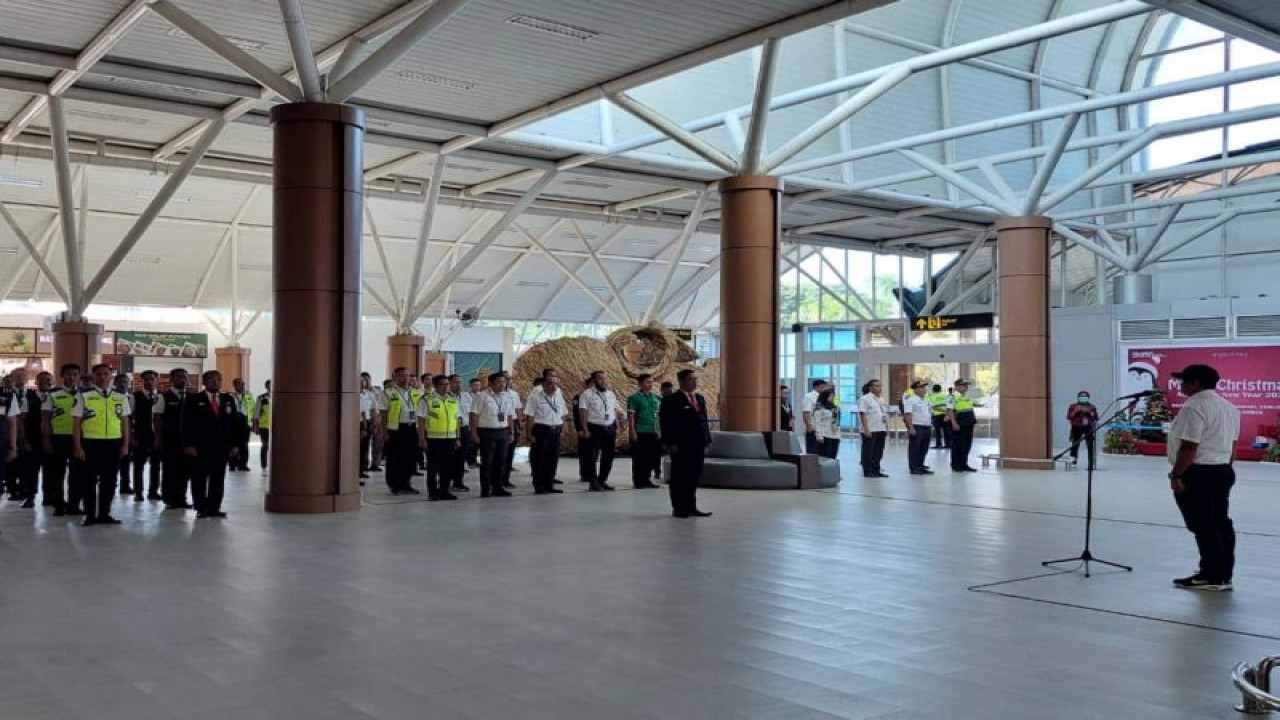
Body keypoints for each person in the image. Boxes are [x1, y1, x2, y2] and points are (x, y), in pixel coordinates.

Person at [1167, 364, 1241, 591]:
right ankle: (1221, 573)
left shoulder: (1193, 407)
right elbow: (1233, 446)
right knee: (1219, 522)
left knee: (1203, 525)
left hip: (1198, 472)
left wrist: (1177, 474)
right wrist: (1222, 469)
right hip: (1221, 470)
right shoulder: (1229, 407)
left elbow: (1189, 446)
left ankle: (1211, 575)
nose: (1181, 385)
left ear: (1196, 383)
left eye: (1184, 380)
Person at [71, 364, 130, 526]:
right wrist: (78, 447)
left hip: (113, 443)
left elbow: (125, 422)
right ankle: (90, 514)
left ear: (111, 376)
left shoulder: (121, 396)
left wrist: (125, 445)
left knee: (110, 481)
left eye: (106, 374)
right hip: (90, 443)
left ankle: (104, 513)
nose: (102, 377)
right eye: (98, 374)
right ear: (93, 377)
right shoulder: (84, 395)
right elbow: (76, 423)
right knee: (88, 480)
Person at [182, 370, 238, 518]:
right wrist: (188, 444)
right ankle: (201, 507)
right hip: (200, 448)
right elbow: (186, 424)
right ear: (204, 382)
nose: (216, 382)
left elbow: (235, 424)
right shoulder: (194, 399)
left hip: (221, 447)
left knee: (218, 479)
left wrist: (235, 445)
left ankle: (215, 507)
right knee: (199, 479)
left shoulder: (228, 399)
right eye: (212, 379)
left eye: (219, 379)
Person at [660, 368, 712, 518]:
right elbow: (666, 423)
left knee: (694, 475)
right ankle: (679, 507)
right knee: (680, 476)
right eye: (691, 379)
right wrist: (669, 443)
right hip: (681, 444)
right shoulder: (671, 400)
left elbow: (704, 420)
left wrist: (707, 438)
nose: (694, 381)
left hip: (698, 443)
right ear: (681, 381)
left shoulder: (699, 398)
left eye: (695, 379)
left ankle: (691, 506)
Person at [43, 363, 83, 516]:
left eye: (74, 374)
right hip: (59, 438)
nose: (71, 377)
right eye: (68, 374)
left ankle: (73, 505)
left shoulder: (84, 394)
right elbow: (46, 421)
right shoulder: (52, 394)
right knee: (57, 474)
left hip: (78, 439)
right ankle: (58, 504)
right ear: (62, 376)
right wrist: (46, 441)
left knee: (77, 473)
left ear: (78, 376)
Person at [523, 368, 569, 495]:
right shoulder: (535, 396)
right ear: (543, 385)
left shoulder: (559, 393)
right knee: (539, 459)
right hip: (541, 430)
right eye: (550, 384)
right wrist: (529, 433)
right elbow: (530, 416)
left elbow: (564, 412)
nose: (553, 387)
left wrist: (564, 427)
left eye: (555, 384)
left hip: (555, 429)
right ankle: (539, 485)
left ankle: (549, 484)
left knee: (552, 459)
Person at [579, 370, 625, 492]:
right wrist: (584, 428)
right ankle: (593, 482)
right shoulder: (587, 394)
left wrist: (617, 425)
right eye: (600, 378)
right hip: (594, 427)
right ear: (594, 381)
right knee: (592, 456)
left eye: (605, 378)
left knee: (608, 456)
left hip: (609, 428)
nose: (603, 381)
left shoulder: (611, 394)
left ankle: (602, 480)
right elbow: (583, 412)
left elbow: (614, 410)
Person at [470, 372, 513, 498]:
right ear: (491, 383)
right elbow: (473, 415)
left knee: (501, 461)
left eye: (504, 382)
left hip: (503, 432)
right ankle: (485, 488)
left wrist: (511, 432)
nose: (502, 384)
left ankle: (497, 487)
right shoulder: (482, 396)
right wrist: (473, 433)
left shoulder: (506, 396)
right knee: (487, 462)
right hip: (487, 432)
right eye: (499, 382)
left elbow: (510, 415)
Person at [155, 368, 193, 509]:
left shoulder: (191, 396)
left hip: (186, 441)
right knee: (170, 470)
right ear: (171, 380)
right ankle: (169, 499)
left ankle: (181, 498)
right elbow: (157, 419)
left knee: (185, 471)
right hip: (170, 440)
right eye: (178, 377)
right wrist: (158, 438)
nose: (182, 379)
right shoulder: (163, 397)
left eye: (184, 377)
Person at [418, 374, 459, 501]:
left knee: (447, 466)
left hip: (450, 438)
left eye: (447, 384)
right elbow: (421, 420)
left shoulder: (452, 399)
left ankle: (444, 490)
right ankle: (433, 492)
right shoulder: (426, 399)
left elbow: (457, 419)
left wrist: (458, 437)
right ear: (435, 385)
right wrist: (421, 438)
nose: (446, 387)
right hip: (434, 438)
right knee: (433, 466)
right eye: (443, 384)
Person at [382, 367, 421, 496]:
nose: (405, 379)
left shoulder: (416, 392)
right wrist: (384, 431)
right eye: (402, 376)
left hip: (411, 428)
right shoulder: (388, 393)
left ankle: (406, 483)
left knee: (410, 457)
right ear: (395, 377)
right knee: (394, 458)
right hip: (395, 429)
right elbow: (383, 413)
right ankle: (394, 484)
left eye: (407, 376)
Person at [18, 371, 51, 508]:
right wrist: (24, 441)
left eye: (48, 380)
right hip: (33, 439)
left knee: (50, 470)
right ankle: (30, 497)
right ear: (36, 382)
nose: (46, 382)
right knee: (31, 470)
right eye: (42, 380)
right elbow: (21, 421)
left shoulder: (54, 397)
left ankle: (49, 497)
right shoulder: (28, 398)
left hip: (50, 440)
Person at [627, 374, 663, 489]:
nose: (650, 384)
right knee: (639, 458)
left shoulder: (656, 398)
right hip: (640, 431)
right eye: (647, 382)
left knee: (652, 458)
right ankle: (638, 481)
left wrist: (659, 430)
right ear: (640, 384)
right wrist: (632, 431)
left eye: (651, 382)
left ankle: (646, 479)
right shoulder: (634, 398)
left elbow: (658, 416)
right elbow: (631, 416)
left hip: (654, 432)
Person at [131, 370, 162, 501]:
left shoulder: (161, 397)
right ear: (142, 381)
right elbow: (129, 417)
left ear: (156, 380)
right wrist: (132, 437)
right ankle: (138, 492)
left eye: (152, 379)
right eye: (146, 379)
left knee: (156, 465)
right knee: (138, 465)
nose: (149, 382)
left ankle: (153, 492)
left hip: (157, 436)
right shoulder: (135, 396)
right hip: (140, 436)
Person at [857, 379, 889, 478]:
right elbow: (863, 414)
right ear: (871, 387)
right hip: (870, 429)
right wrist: (866, 429)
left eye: (880, 386)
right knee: (868, 451)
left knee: (878, 451)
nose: (879, 388)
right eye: (877, 386)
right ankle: (867, 471)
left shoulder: (881, 399)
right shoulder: (864, 399)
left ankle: (876, 470)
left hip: (881, 428)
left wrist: (886, 427)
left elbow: (883, 414)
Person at [947, 379, 978, 472]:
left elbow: (970, 409)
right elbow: (949, 410)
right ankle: (955, 465)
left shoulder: (966, 397)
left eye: (966, 385)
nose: (966, 387)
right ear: (957, 386)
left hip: (969, 423)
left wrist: (972, 421)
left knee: (967, 445)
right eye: (963, 385)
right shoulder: (952, 397)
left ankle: (964, 464)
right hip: (959, 423)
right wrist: (954, 422)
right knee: (957, 445)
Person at [904, 380, 934, 475]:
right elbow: (907, 415)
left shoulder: (926, 399)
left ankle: (920, 466)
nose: (924, 389)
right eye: (921, 387)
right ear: (915, 389)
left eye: (924, 387)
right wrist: (911, 428)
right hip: (917, 427)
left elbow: (929, 412)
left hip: (927, 427)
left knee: (924, 448)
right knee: (914, 448)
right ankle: (914, 468)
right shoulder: (910, 400)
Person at [1066, 391, 1100, 467]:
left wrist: (1089, 412)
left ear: (1088, 397)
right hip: (1076, 427)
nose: (1083, 398)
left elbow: (1096, 417)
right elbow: (1069, 417)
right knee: (1075, 445)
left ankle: (1090, 464)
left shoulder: (1092, 407)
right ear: (1078, 397)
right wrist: (1076, 411)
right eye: (1081, 396)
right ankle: (1073, 463)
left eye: (1085, 396)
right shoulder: (1073, 406)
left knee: (1090, 446)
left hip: (1088, 427)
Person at [448, 374, 470, 492]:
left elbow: (471, 413)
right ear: (449, 383)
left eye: (460, 382)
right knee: (449, 457)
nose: (458, 384)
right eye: (455, 382)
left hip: (464, 429)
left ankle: (458, 482)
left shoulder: (466, 396)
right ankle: (446, 481)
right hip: (450, 430)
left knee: (461, 457)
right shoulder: (446, 397)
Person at [228, 377, 253, 472]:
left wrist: (252, 423)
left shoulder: (248, 396)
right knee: (233, 443)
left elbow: (252, 409)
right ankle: (232, 464)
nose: (242, 386)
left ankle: (243, 464)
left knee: (245, 444)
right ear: (234, 385)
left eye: (243, 384)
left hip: (245, 421)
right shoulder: (230, 396)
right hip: (233, 422)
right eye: (240, 384)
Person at [501, 371, 521, 488]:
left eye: (509, 379)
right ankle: (496, 480)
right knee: (500, 455)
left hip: (513, 423)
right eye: (506, 379)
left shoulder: (514, 394)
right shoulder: (492, 394)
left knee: (509, 454)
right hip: (500, 424)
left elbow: (518, 409)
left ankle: (506, 479)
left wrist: (519, 424)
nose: (508, 381)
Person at [802, 379, 830, 454]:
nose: (824, 389)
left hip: (823, 428)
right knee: (812, 450)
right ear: (816, 387)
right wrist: (808, 426)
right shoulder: (809, 396)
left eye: (825, 387)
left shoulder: (824, 397)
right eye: (823, 387)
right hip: (813, 427)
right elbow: (806, 412)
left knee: (822, 451)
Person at [812, 389, 840, 459]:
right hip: (825, 435)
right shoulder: (819, 408)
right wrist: (819, 436)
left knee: (833, 456)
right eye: (831, 396)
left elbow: (837, 421)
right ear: (825, 397)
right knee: (825, 456)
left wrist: (839, 435)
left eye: (833, 396)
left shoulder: (835, 407)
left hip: (835, 435)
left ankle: (831, 469)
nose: (832, 398)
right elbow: (817, 423)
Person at [359, 373, 376, 480]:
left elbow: (373, 409)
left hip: (367, 422)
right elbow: (362, 412)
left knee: (365, 448)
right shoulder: (352, 394)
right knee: (357, 449)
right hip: (359, 423)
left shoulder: (369, 394)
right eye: (360, 381)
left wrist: (374, 424)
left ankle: (361, 470)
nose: (363, 383)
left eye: (364, 381)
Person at [253, 380, 272, 473]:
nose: (271, 387)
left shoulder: (279, 396)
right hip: (264, 426)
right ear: (266, 387)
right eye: (269, 385)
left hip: (276, 426)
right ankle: (264, 464)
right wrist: (256, 427)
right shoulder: (261, 398)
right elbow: (256, 413)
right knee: (265, 445)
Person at [929, 384, 951, 450]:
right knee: (946, 430)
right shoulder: (945, 395)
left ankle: (938, 444)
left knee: (937, 430)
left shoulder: (931, 396)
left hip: (936, 415)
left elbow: (931, 406)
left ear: (933, 389)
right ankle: (948, 444)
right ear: (940, 389)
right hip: (945, 414)